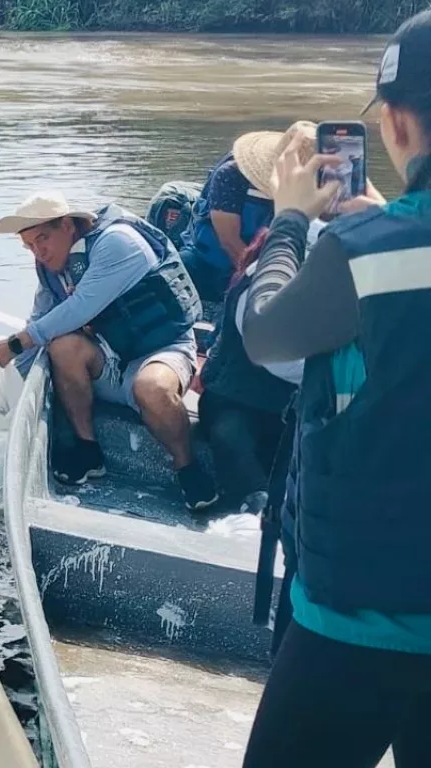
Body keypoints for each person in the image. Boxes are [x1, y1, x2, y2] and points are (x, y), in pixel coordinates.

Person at [240, 11, 431, 766]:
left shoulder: (363, 253)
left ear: (397, 124)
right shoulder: (381, 245)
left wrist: (290, 221)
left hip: (363, 616)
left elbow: (265, 332)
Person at [0, 192, 216, 511]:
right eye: (30, 247)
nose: (39, 252)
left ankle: (187, 467)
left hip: (163, 349)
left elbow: (81, 306)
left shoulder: (118, 243)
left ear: (68, 225)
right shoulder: (52, 269)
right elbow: (39, 322)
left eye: (43, 239)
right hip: (108, 358)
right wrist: (24, 399)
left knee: (151, 387)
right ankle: (88, 450)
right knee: (62, 347)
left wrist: (16, 343)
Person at [198, 231, 306, 515]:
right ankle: (256, 504)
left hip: (283, 406)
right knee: (231, 436)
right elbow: (273, 356)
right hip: (233, 399)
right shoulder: (262, 283)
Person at [179, 121, 317, 304]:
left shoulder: (324, 187)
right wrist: (260, 280)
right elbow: (229, 240)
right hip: (221, 261)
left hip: (276, 258)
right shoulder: (230, 176)